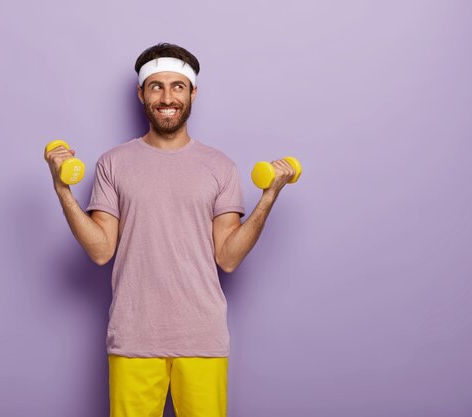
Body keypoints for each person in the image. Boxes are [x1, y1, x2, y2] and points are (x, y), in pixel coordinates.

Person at [44, 42, 296, 417]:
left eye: (177, 86)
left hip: (202, 337)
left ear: (192, 93)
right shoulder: (113, 163)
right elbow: (100, 250)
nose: (167, 97)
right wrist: (61, 188)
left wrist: (268, 198)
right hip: (133, 337)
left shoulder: (219, 166)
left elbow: (227, 258)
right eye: (156, 86)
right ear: (141, 94)